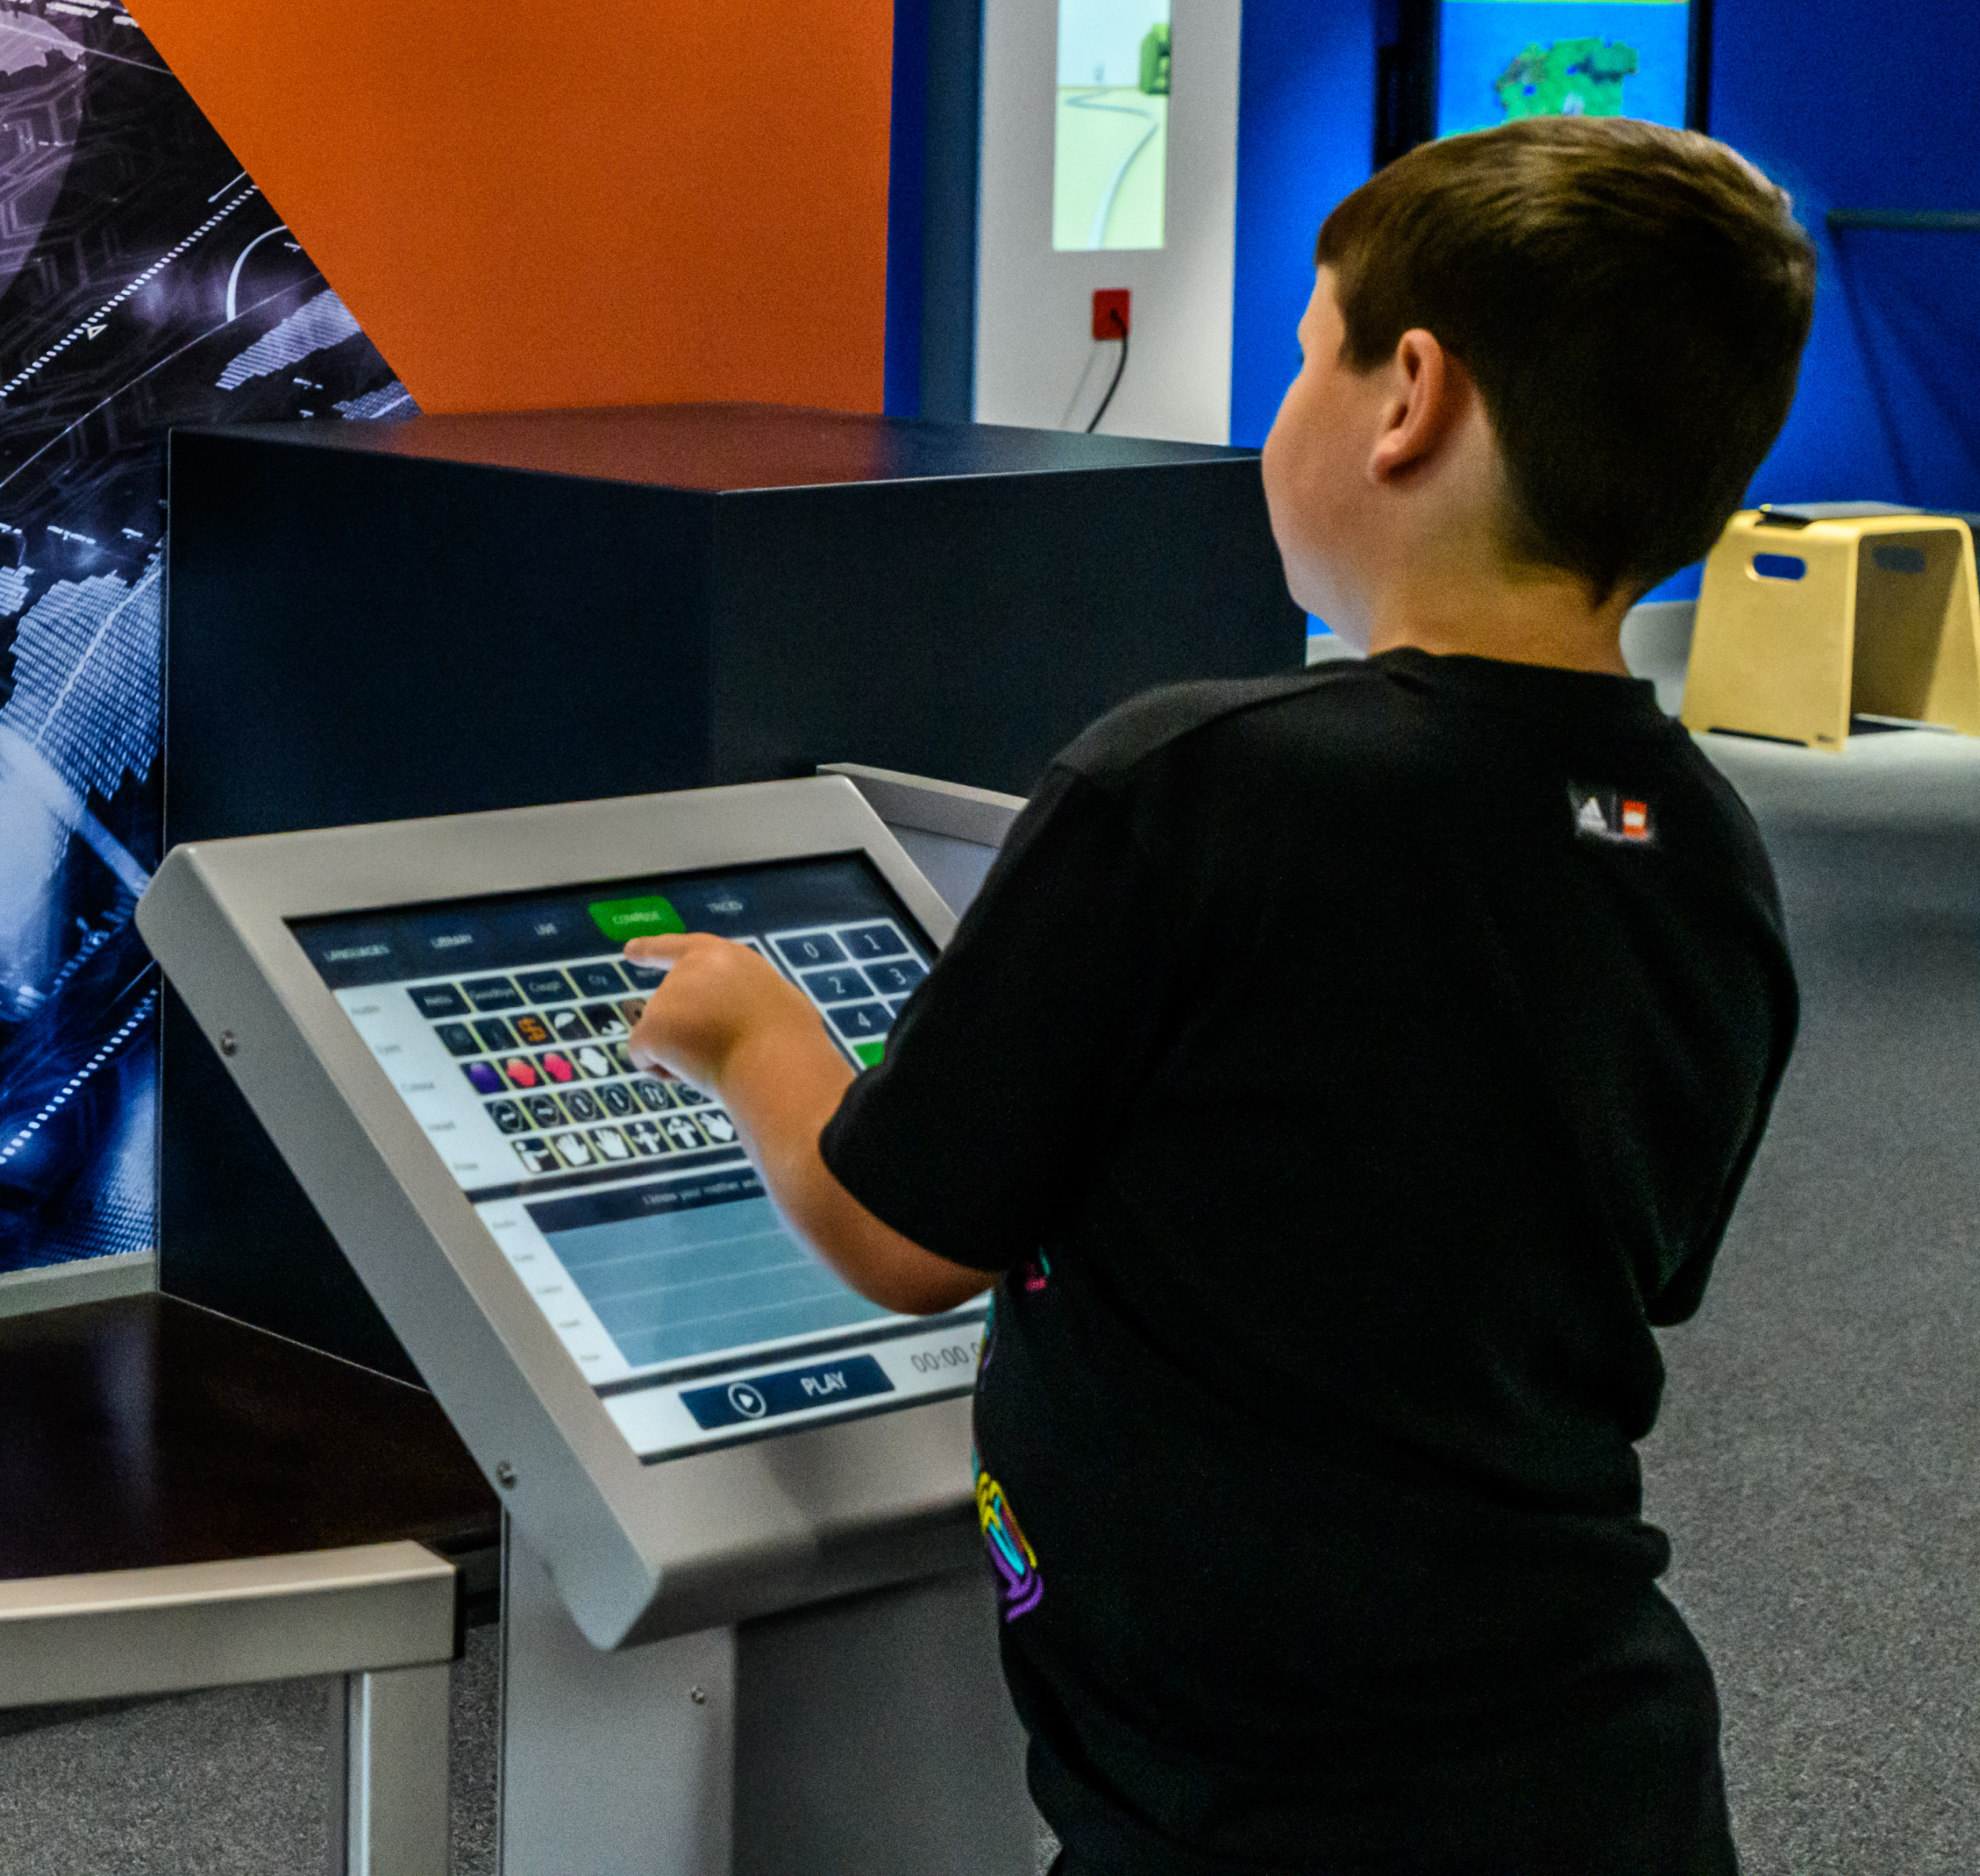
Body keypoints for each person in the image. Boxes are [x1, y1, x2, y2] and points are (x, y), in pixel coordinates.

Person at [626, 115, 1818, 1873]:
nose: (1285, 412)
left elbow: (900, 1230)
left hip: (1244, 1801)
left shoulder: (1191, 784)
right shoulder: (1701, 846)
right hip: (1590, 1763)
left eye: (1300, 356)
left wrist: (752, 1030)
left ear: (1408, 396)